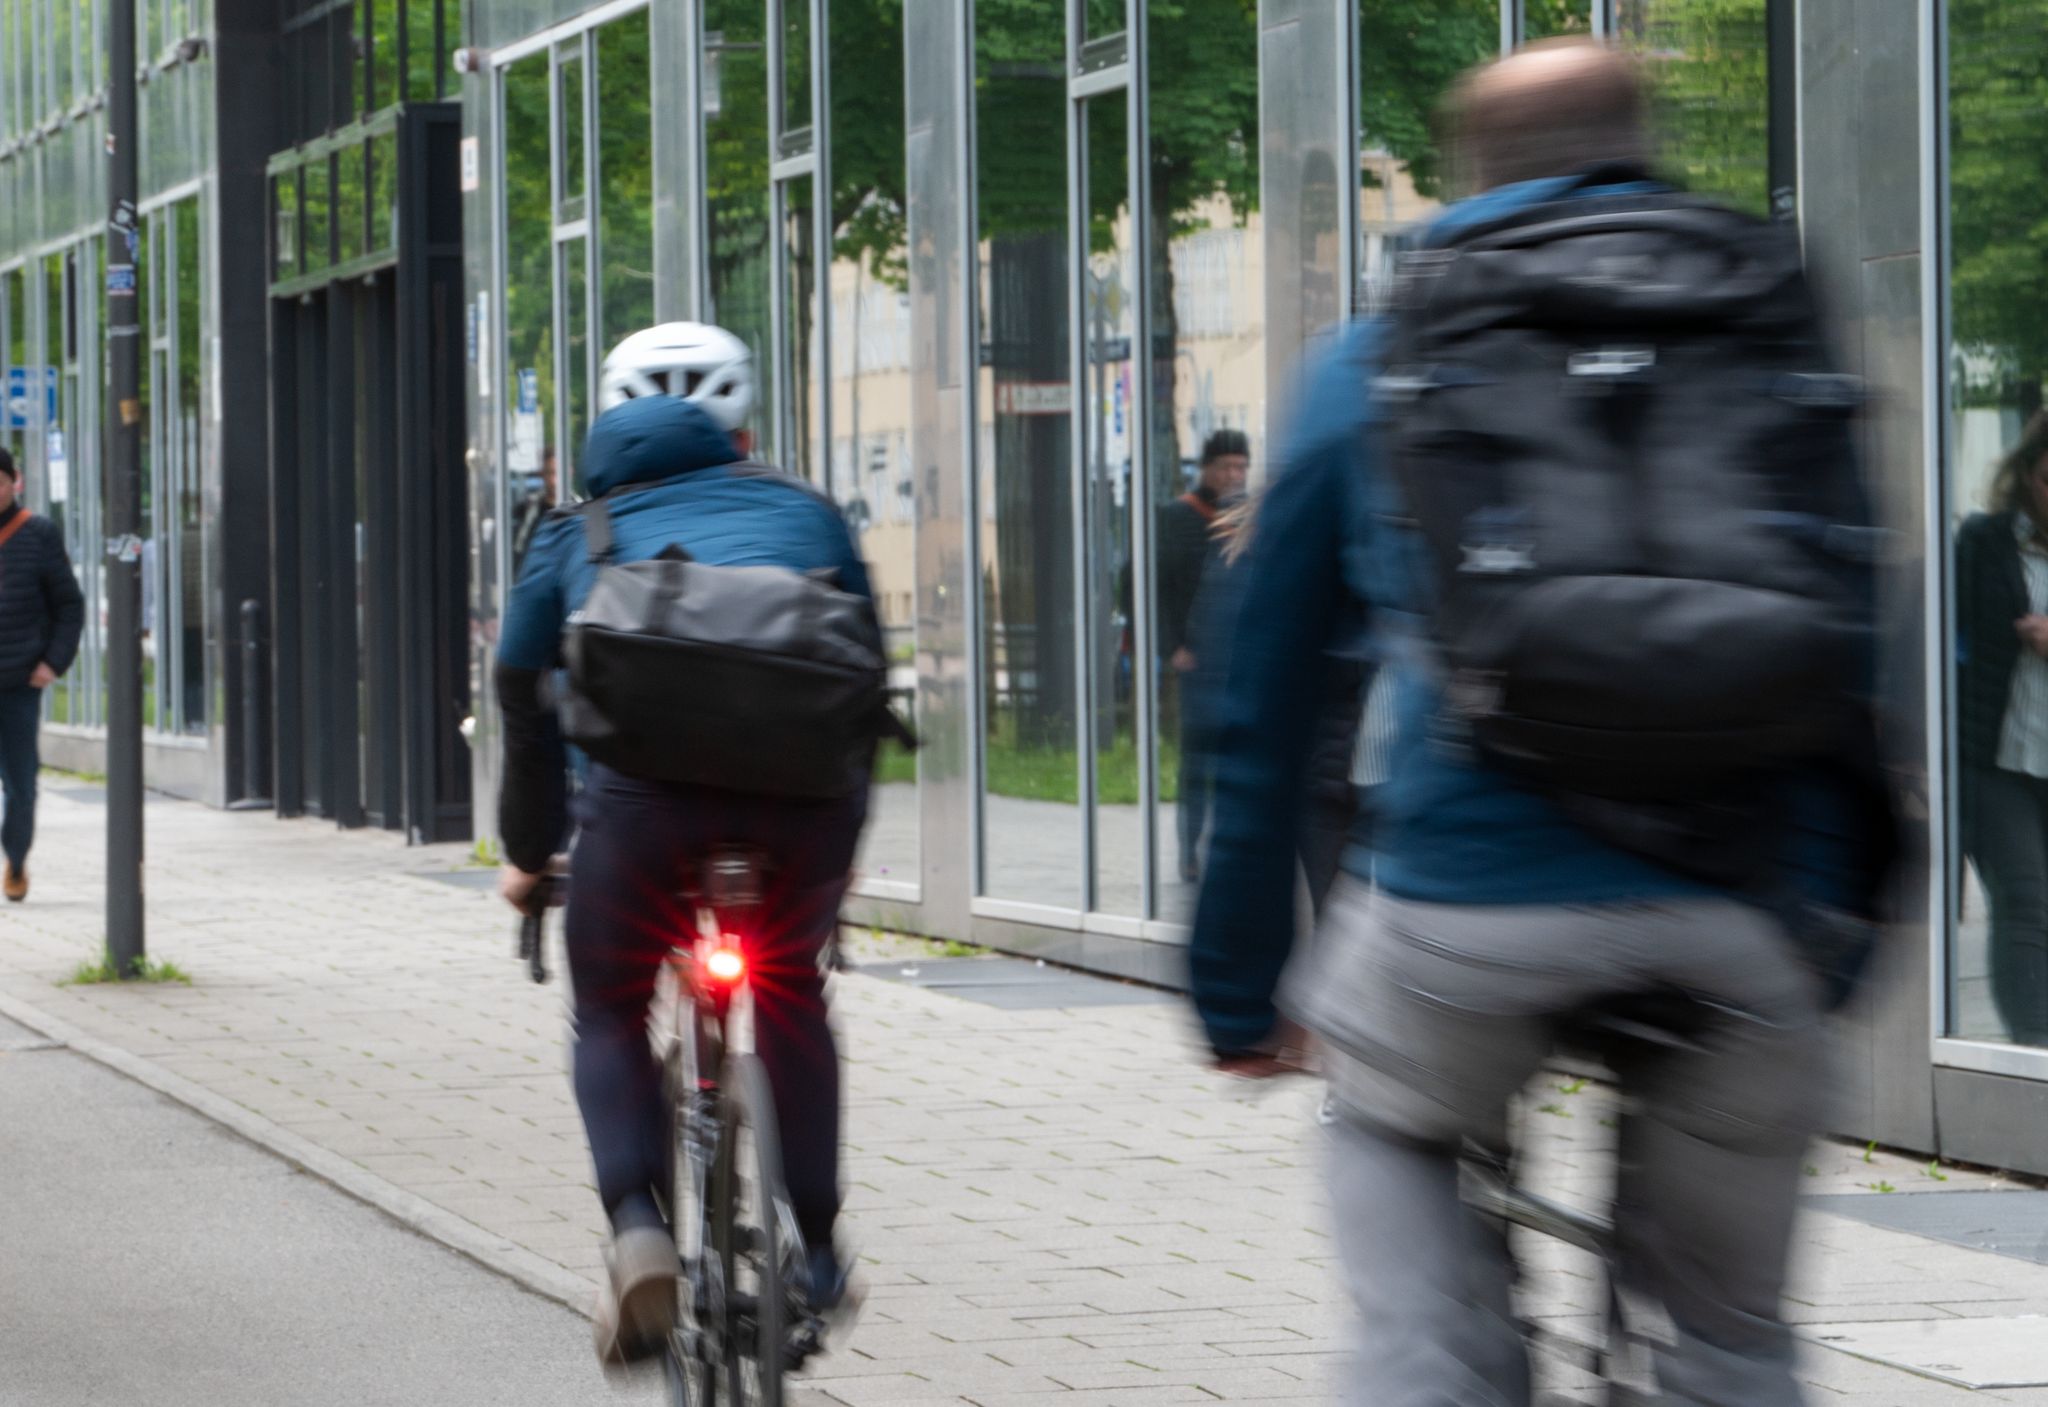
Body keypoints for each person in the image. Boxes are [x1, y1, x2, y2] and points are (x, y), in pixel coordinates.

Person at [1188, 39, 1895, 1407]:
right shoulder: (1769, 317)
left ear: (1470, 175)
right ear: (1640, 143)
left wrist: (1237, 985)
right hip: (1748, 905)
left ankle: (1436, 1365)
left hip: (1468, 906)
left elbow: (1255, 702)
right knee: (1732, 1341)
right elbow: (1861, 634)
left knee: (1387, 1132)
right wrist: (1839, 935)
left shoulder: (1377, 356)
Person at [493, 322, 874, 1370]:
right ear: (736, 436)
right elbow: (865, 689)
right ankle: (820, 1252)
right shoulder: (807, 514)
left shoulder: (573, 533)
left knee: (613, 1004)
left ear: (601, 442)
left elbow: (522, 706)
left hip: (645, 819)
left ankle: (638, 1228)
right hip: (800, 813)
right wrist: (835, 868)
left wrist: (528, 856)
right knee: (790, 984)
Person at [1957, 410, 2048, 1047]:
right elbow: (1941, 632)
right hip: (1996, 759)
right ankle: (2033, 1061)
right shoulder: (1984, 541)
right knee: (2024, 903)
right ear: (2023, 475)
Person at [1157, 429, 1249, 881]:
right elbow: (1151, 587)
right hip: (1196, 662)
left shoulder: (1248, 518)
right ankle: (1189, 853)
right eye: (1227, 466)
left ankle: (1230, 853)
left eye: (1241, 467)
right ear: (1207, 469)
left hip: (1240, 662)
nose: (1235, 475)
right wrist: (1172, 646)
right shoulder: (1177, 518)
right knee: (1196, 765)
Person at [0, 448, 84, 903]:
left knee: (20, 783)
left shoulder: (38, 534)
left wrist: (53, 661)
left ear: (15, 483)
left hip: (17, 683)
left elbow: (69, 605)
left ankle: (15, 859)